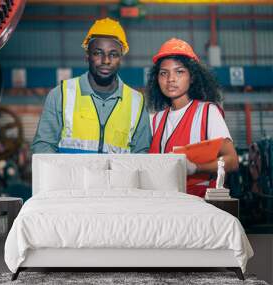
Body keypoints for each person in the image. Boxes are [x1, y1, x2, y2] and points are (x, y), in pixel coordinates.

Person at [32, 18, 151, 154]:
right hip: (70, 176)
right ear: (87, 56)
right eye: (98, 53)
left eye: (113, 54)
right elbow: (43, 147)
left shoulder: (137, 102)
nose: (106, 60)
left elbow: (142, 155)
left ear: (120, 59)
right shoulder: (61, 94)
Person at [146, 38, 238, 197]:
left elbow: (232, 161)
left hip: (200, 204)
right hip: (164, 200)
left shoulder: (207, 112)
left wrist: (196, 168)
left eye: (179, 71)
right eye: (164, 73)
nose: (171, 79)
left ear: (192, 77)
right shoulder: (157, 119)